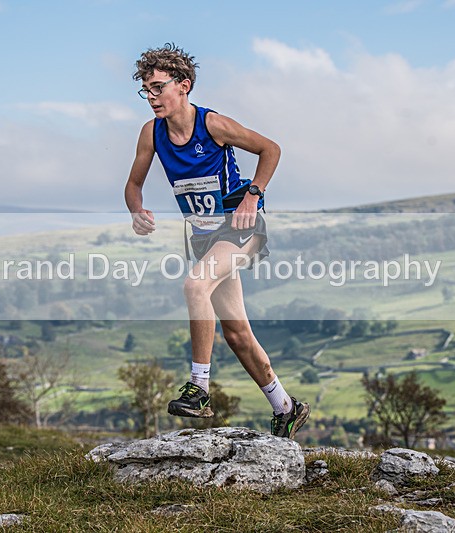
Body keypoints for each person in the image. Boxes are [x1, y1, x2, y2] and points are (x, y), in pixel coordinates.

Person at [124, 43, 310, 439]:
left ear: (184, 85)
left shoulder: (213, 125)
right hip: (206, 238)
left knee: (195, 284)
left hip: (241, 228)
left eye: (158, 88)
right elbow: (133, 185)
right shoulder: (151, 134)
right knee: (237, 334)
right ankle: (286, 406)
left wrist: (253, 194)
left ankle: (199, 390)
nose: (152, 97)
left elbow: (270, 149)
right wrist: (136, 210)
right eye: (146, 90)